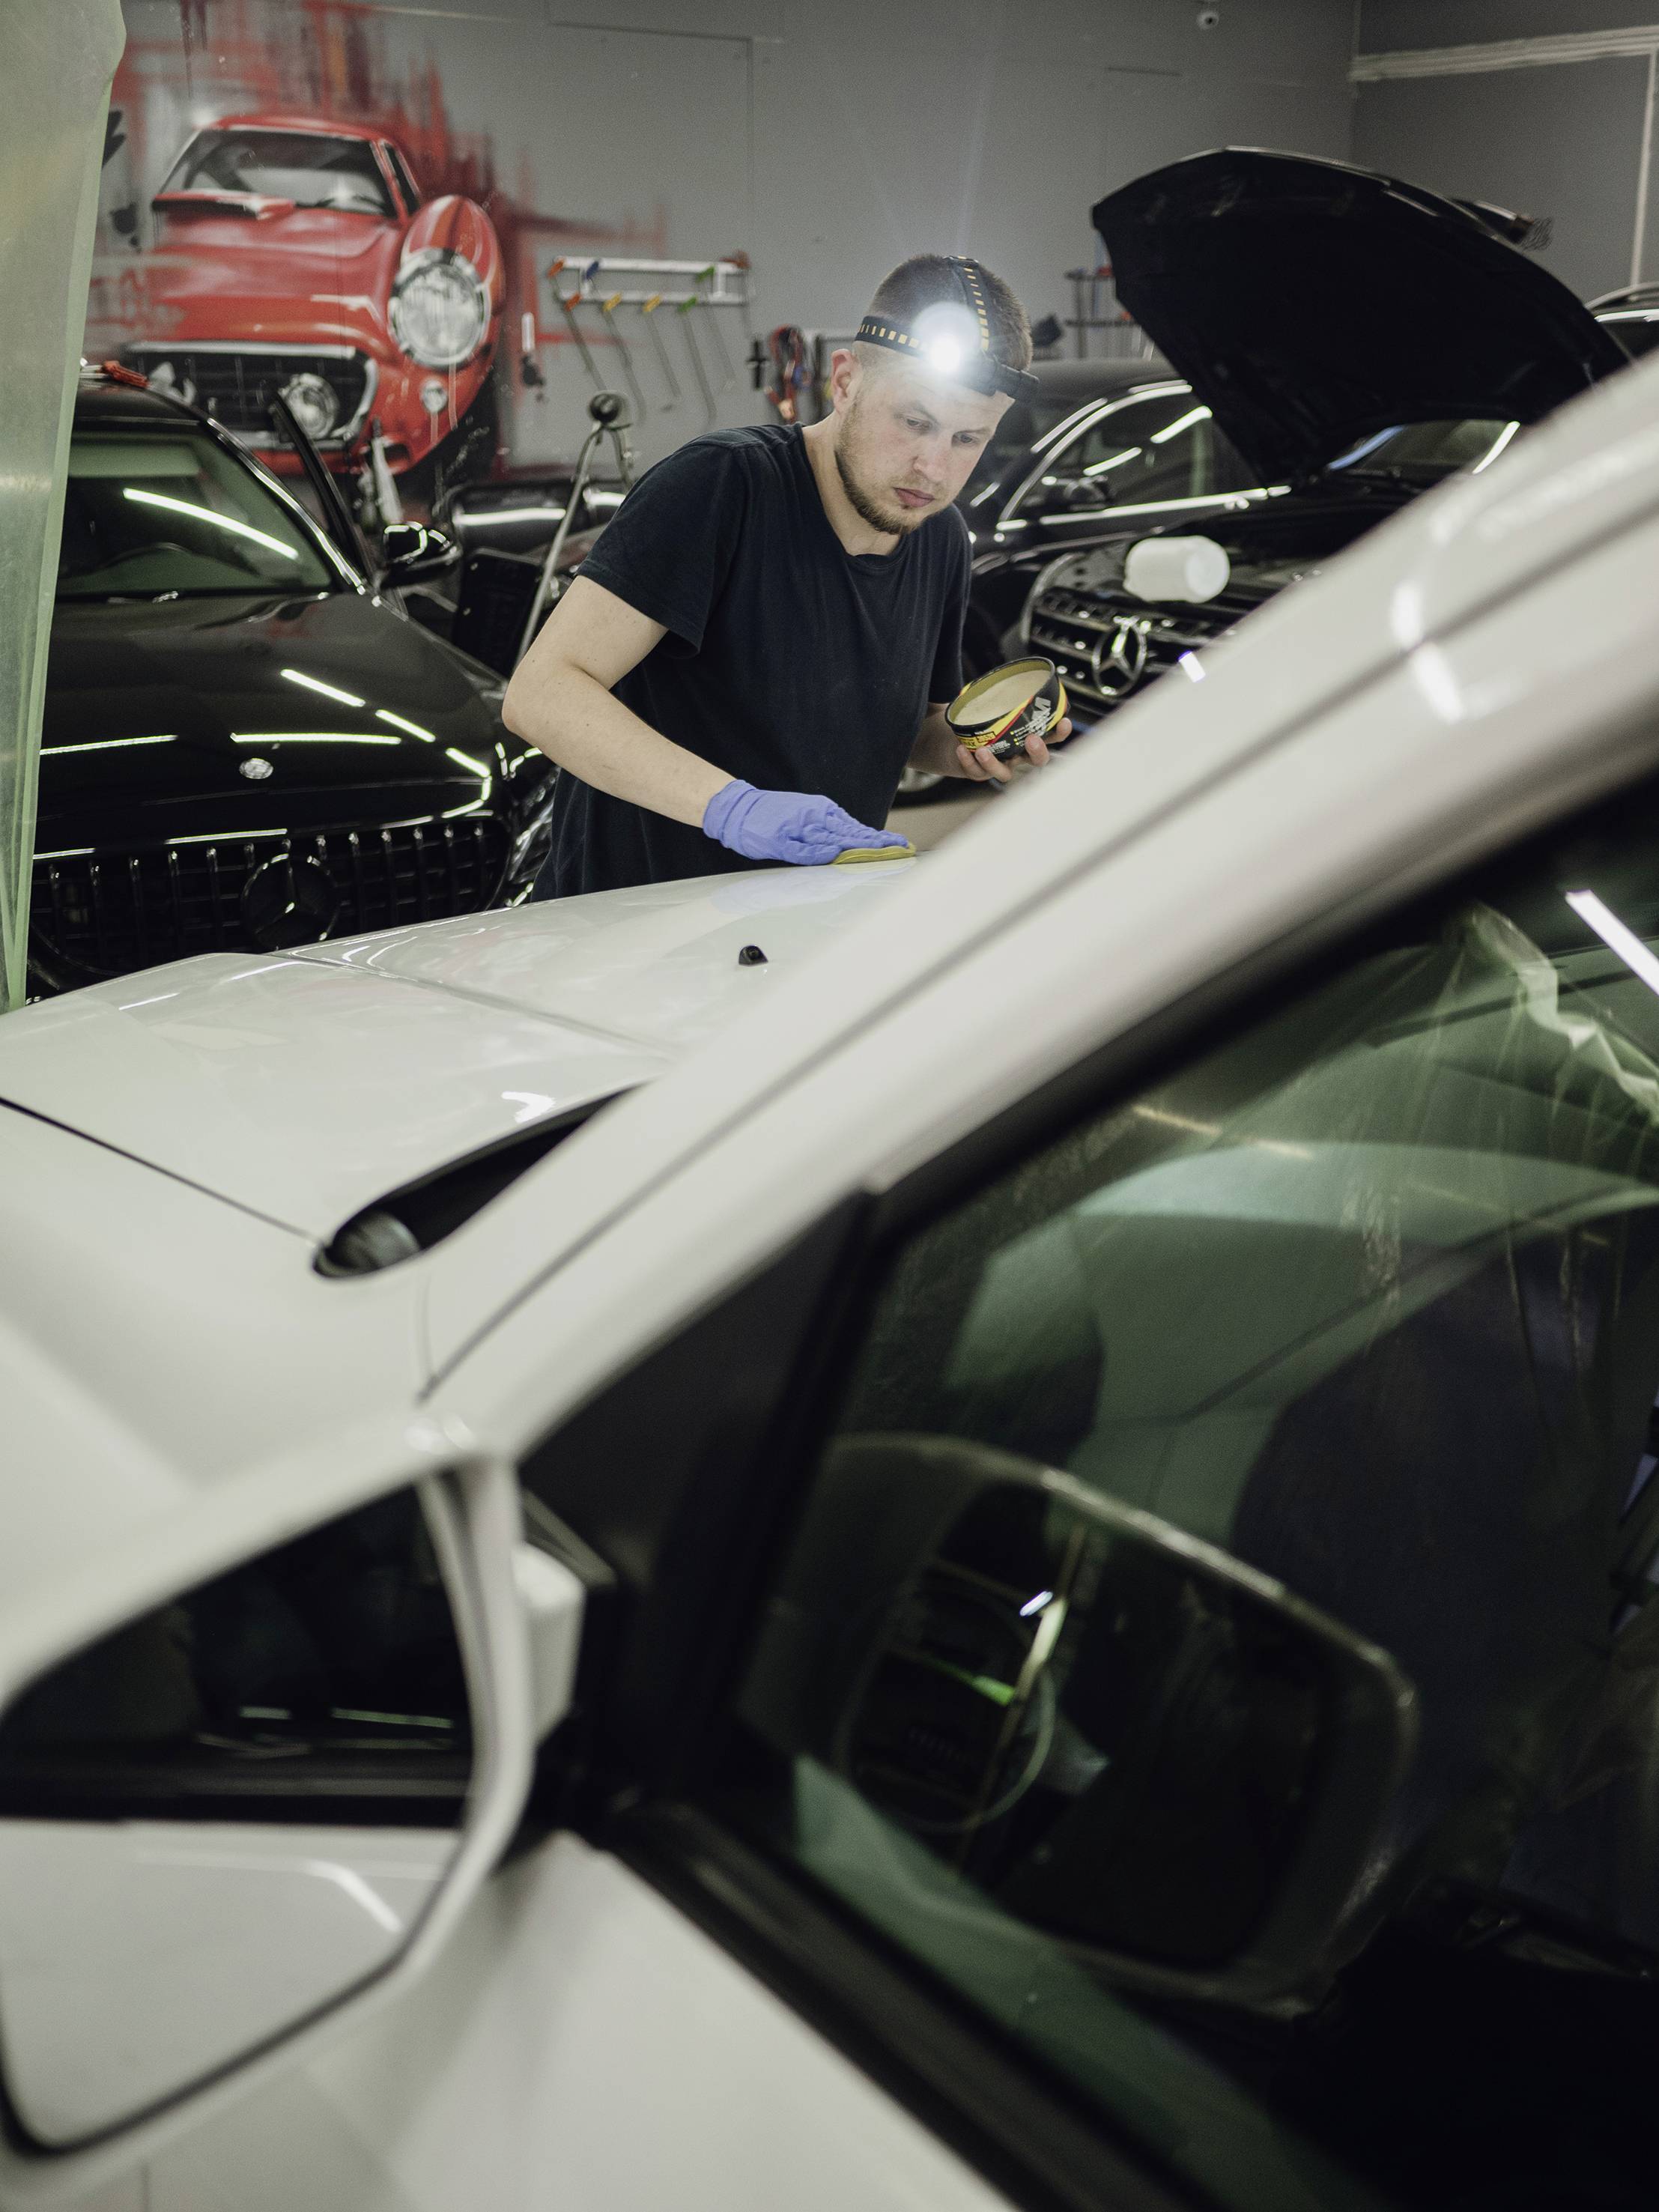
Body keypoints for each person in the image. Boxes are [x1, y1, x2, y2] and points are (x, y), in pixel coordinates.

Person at [503, 253, 1072, 898]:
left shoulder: (938, 536)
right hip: (632, 927)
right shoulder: (723, 487)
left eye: (968, 439)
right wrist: (734, 808)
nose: (933, 469)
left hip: (805, 923)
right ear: (845, 379)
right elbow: (541, 693)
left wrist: (967, 747)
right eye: (915, 422)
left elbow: (912, 724)